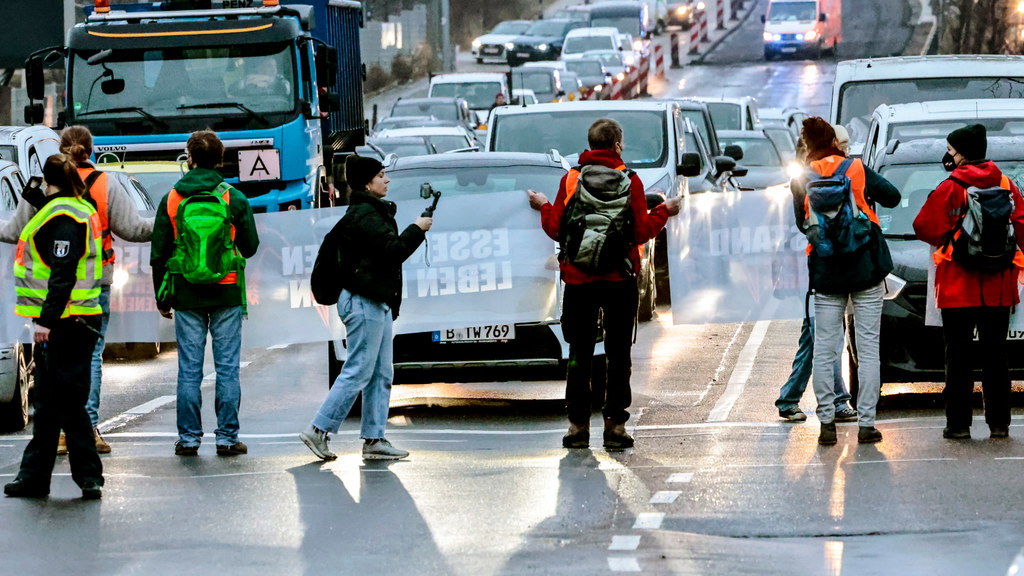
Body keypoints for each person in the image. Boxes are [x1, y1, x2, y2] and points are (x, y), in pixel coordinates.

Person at [527, 118, 681, 449]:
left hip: (579, 280)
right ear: (617, 145)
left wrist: (543, 206)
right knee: (618, 354)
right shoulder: (631, 182)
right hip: (619, 279)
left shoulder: (571, 180)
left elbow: (557, 228)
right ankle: (614, 427)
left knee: (579, 353)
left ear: (590, 144)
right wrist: (664, 211)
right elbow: (640, 232)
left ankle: (577, 426)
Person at [0, 126, 154, 455]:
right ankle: (89, 428)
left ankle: (55, 433)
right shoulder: (105, 184)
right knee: (90, 359)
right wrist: (171, 221)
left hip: (49, 292)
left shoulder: (41, 190)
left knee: (51, 364)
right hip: (93, 286)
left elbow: (14, 232)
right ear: (90, 148)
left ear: (60, 148)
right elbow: (134, 229)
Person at [299, 155, 431, 461]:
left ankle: (374, 439)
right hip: (363, 301)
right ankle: (318, 430)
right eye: (382, 175)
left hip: (376, 300)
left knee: (381, 372)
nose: (387, 180)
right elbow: (392, 251)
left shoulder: (370, 212)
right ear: (367, 183)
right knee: (359, 369)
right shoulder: (365, 216)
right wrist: (417, 228)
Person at [150, 130, 259, 456]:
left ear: (191, 158)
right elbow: (250, 247)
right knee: (226, 368)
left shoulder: (171, 199)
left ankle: (189, 439)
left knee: (189, 369)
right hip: (225, 292)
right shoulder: (233, 198)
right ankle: (227, 438)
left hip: (186, 292)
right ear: (220, 159)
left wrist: (162, 296)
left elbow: (158, 254)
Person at [3, 154, 105, 499]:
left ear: (47, 180)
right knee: (48, 401)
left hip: (66, 321)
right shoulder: (73, 207)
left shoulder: (63, 217)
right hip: (72, 317)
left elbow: (62, 274)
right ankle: (34, 477)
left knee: (66, 401)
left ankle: (89, 477)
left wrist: (45, 323)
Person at [913, 124, 1024, 440]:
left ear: (963, 154)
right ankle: (1000, 423)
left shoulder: (951, 187)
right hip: (999, 285)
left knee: (958, 357)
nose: (948, 157)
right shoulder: (1006, 184)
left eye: (951, 151)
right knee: (996, 355)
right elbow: (1022, 226)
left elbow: (923, 226)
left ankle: (959, 424)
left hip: (957, 287)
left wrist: (951, 237)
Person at [792, 117, 899, 446]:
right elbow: (893, 197)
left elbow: (801, 224)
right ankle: (867, 423)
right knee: (868, 350)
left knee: (825, 350)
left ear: (807, 146)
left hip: (826, 272)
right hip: (864, 268)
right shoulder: (855, 168)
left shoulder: (802, 178)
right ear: (835, 141)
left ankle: (826, 423)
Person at [775, 129, 858, 424]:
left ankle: (790, 398)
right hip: (814, 269)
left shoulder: (808, 176)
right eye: (843, 146)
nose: (846, 152)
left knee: (815, 337)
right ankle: (836, 401)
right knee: (826, 337)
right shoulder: (812, 178)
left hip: (813, 268)